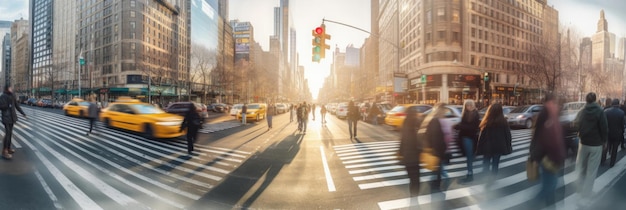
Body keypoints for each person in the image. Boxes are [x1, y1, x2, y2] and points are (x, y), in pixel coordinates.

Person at [529, 94, 565, 208]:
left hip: (549, 156)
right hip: (547, 157)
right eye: (554, 103)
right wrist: (536, 157)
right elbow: (541, 138)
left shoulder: (550, 115)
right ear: (549, 103)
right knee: (550, 185)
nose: (556, 105)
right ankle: (533, 205)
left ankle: (550, 205)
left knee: (549, 184)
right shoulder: (546, 115)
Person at [573, 92, 608, 205]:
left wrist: (581, 132)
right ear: (595, 100)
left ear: (586, 100)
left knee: (581, 168)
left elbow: (575, 124)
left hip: (583, 143)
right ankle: (587, 193)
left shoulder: (582, 111)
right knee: (591, 171)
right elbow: (604, 128)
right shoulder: (600, 111)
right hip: (596, 145)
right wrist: (604, 141)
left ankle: (579, 189)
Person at [476, 103, 513, 177]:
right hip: (499, 147)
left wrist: (479, 147)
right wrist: (508, 146)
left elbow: (482, 137)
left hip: (488, 146)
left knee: (486, 162)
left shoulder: (487, 122)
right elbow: (508, 135)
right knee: (495, 163)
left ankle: (485, 177)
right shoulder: (504, 122)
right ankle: (493, 178)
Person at [423, 103, 449, 190]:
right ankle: (435, 187)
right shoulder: (435, 121)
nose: (445, 113)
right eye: (444, 111)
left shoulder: (432, 119)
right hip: (436, 151)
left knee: (436, 170)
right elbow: (436, 138)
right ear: (440, 111)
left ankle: (435, 185)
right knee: (437, 170)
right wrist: (440, 150)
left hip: (435, 150)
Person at [398, 106, 422, 198]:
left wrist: (400, 153)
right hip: (415, 156)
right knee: (416, 178)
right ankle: (414, 195)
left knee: (412, 178)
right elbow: (420, 139)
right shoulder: (417, 122)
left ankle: (413, 195)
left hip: (407, 156)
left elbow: (402, 139)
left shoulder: (405, 122)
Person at [454, 99, 480, 182]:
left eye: (471, 105)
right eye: (467, 105)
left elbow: (473, 127)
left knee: (469, 156)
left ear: (473, 105)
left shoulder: (476, 114)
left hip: (471, 137)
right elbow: (463, 124)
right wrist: (457, 126)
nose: (469, 107)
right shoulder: (464, 114)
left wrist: (460, 127)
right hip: (465, 137)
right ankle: (470, 173)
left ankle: (470, 174)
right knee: (469, 156)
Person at [0, 84, 26, 159]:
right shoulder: (3, 96)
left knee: (10, 133)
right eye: (10, 88)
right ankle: (4, 151)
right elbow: (1, 106)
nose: (12, 89)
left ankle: (8, 148)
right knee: (7, 133)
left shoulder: (12, 96)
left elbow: (17, 106)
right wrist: (8, 105)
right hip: (6, 117)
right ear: (7, 88)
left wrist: (23, 114)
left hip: (12, 117)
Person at [603, 99, 624, 167]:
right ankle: (612, 163)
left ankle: (602, 160)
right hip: (617, 134)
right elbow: (622, 124)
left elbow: (604, 124)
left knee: (606, 147)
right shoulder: (621, 113)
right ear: (618, 104)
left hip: (608, 133)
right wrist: (622, 132)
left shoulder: (606, 112)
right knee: (615, 149)